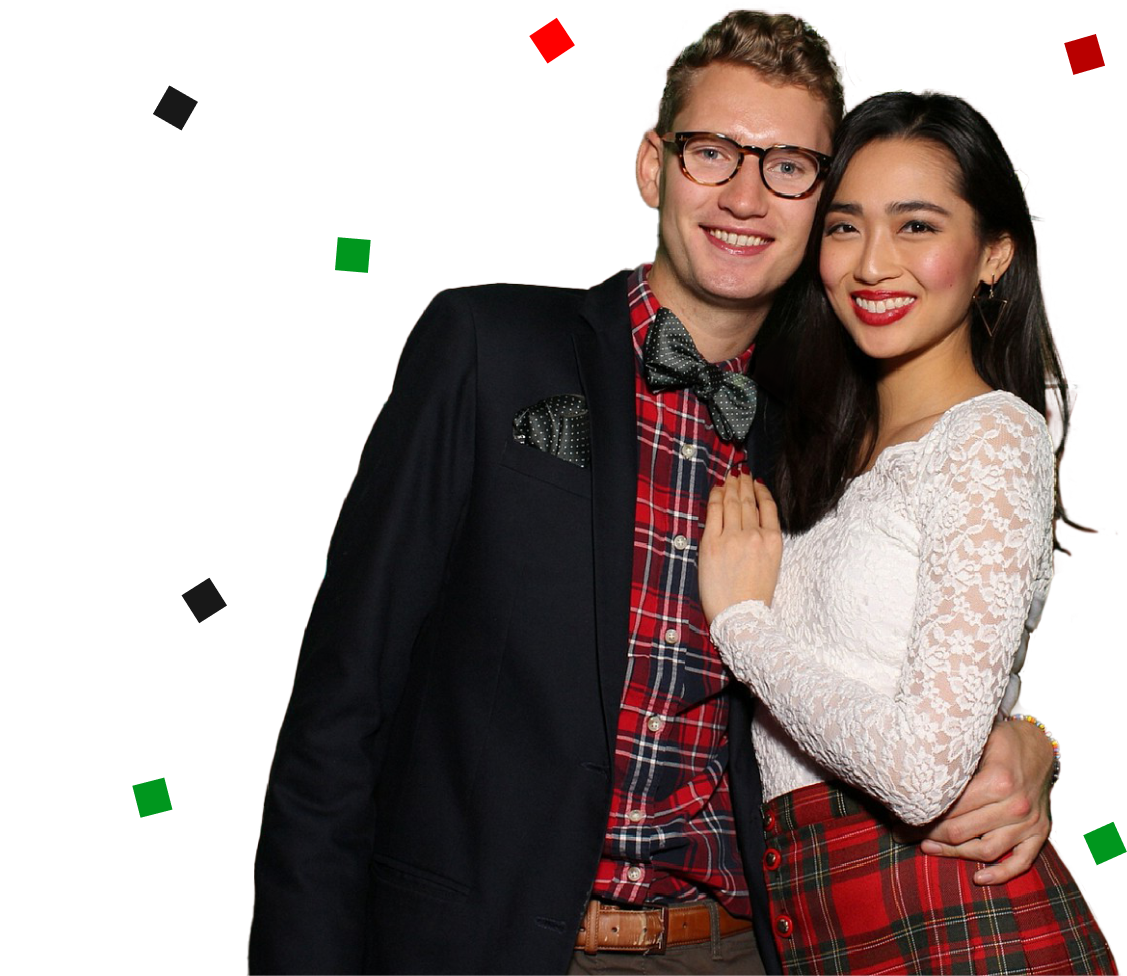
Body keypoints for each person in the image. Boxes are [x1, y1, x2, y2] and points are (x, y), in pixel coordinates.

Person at [247, 11, 1061, 976]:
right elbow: (341, 705)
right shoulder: (485, 346)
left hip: (738, 953)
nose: (746, 196)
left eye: (789, 165)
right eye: (712, 152)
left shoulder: (827, 427)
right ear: (651, 165)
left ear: (816, 204)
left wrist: (1023, 735)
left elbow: (906, 639)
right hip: (480, 945)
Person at [698, 88, 1118, 974]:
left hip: (946, 908)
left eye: (917, 226)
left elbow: (924, 772)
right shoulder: (819, 444)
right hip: (813, 912)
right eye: (844, 227)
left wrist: (743, 627)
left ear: (993, 253)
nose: (871, 265)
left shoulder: (990, 436)